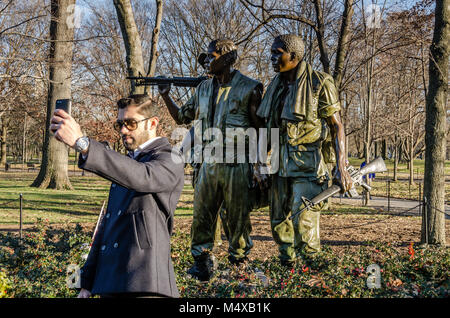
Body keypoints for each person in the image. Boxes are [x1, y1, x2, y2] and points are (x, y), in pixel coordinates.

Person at [50, 94, 184, 297]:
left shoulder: (170, 159)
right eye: (120, 124)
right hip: (112, 284)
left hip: (146, 286)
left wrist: (82, 143)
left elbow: (143, 176)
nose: (123, 130)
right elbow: (107, 228)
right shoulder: (126, 165)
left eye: (130, 123)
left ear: (152, 123)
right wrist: (86, 283)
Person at [158, 38, 264, 281]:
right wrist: (166, 96)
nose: (206, 60)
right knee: (202, 214)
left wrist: (260, 164)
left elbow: (261, 129)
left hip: (237, 163)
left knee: (237, 216)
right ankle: (202, 262)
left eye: (211, 56)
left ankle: (239, 263)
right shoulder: (203, 89)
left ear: (228, 58)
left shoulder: (250, 88)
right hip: (207, 163)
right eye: (205, 56)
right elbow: (182, 118)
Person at [256, 34, 352, 267]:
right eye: (272, 52)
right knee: (279, 220)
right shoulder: (275, 87)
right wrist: (259, 162)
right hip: (279, 164)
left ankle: (311, 269)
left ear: (294, 57)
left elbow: (336, 125)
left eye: (277, 53)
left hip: (308, 164)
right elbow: (266, 129)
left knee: (304, 219)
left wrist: (342, 165)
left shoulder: (320, 82)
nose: (272, 57)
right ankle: (288, 268)